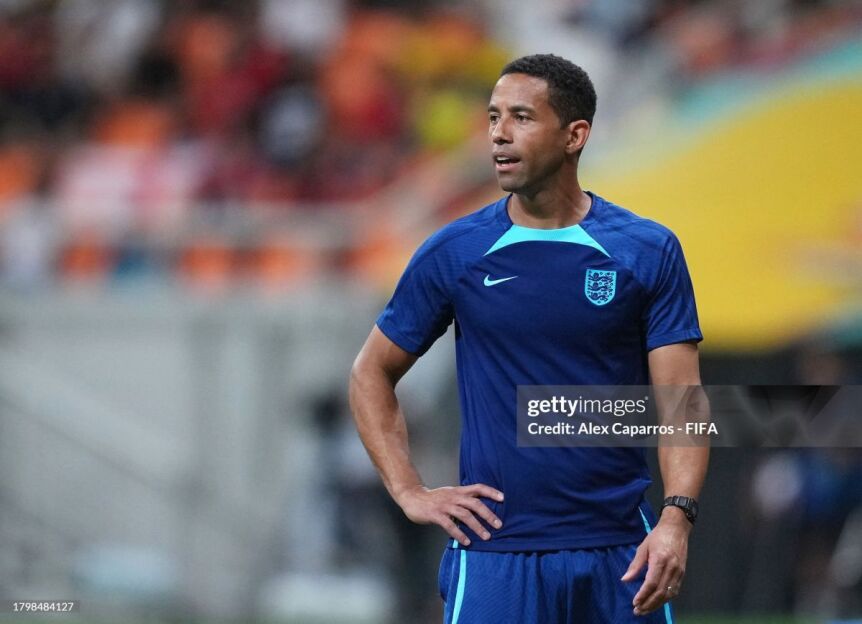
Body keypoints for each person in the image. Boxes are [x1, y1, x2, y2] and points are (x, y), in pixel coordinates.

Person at [349, 53, 709, 623]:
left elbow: (681, 401)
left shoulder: (647, 249)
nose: (498, 133)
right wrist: (409, 490)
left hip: (621, 553)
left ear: (574, 136)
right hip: (496, 553)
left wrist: (676, 519)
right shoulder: (456, 251)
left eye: (521, 117)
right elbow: (370, 372)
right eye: (493, 117)